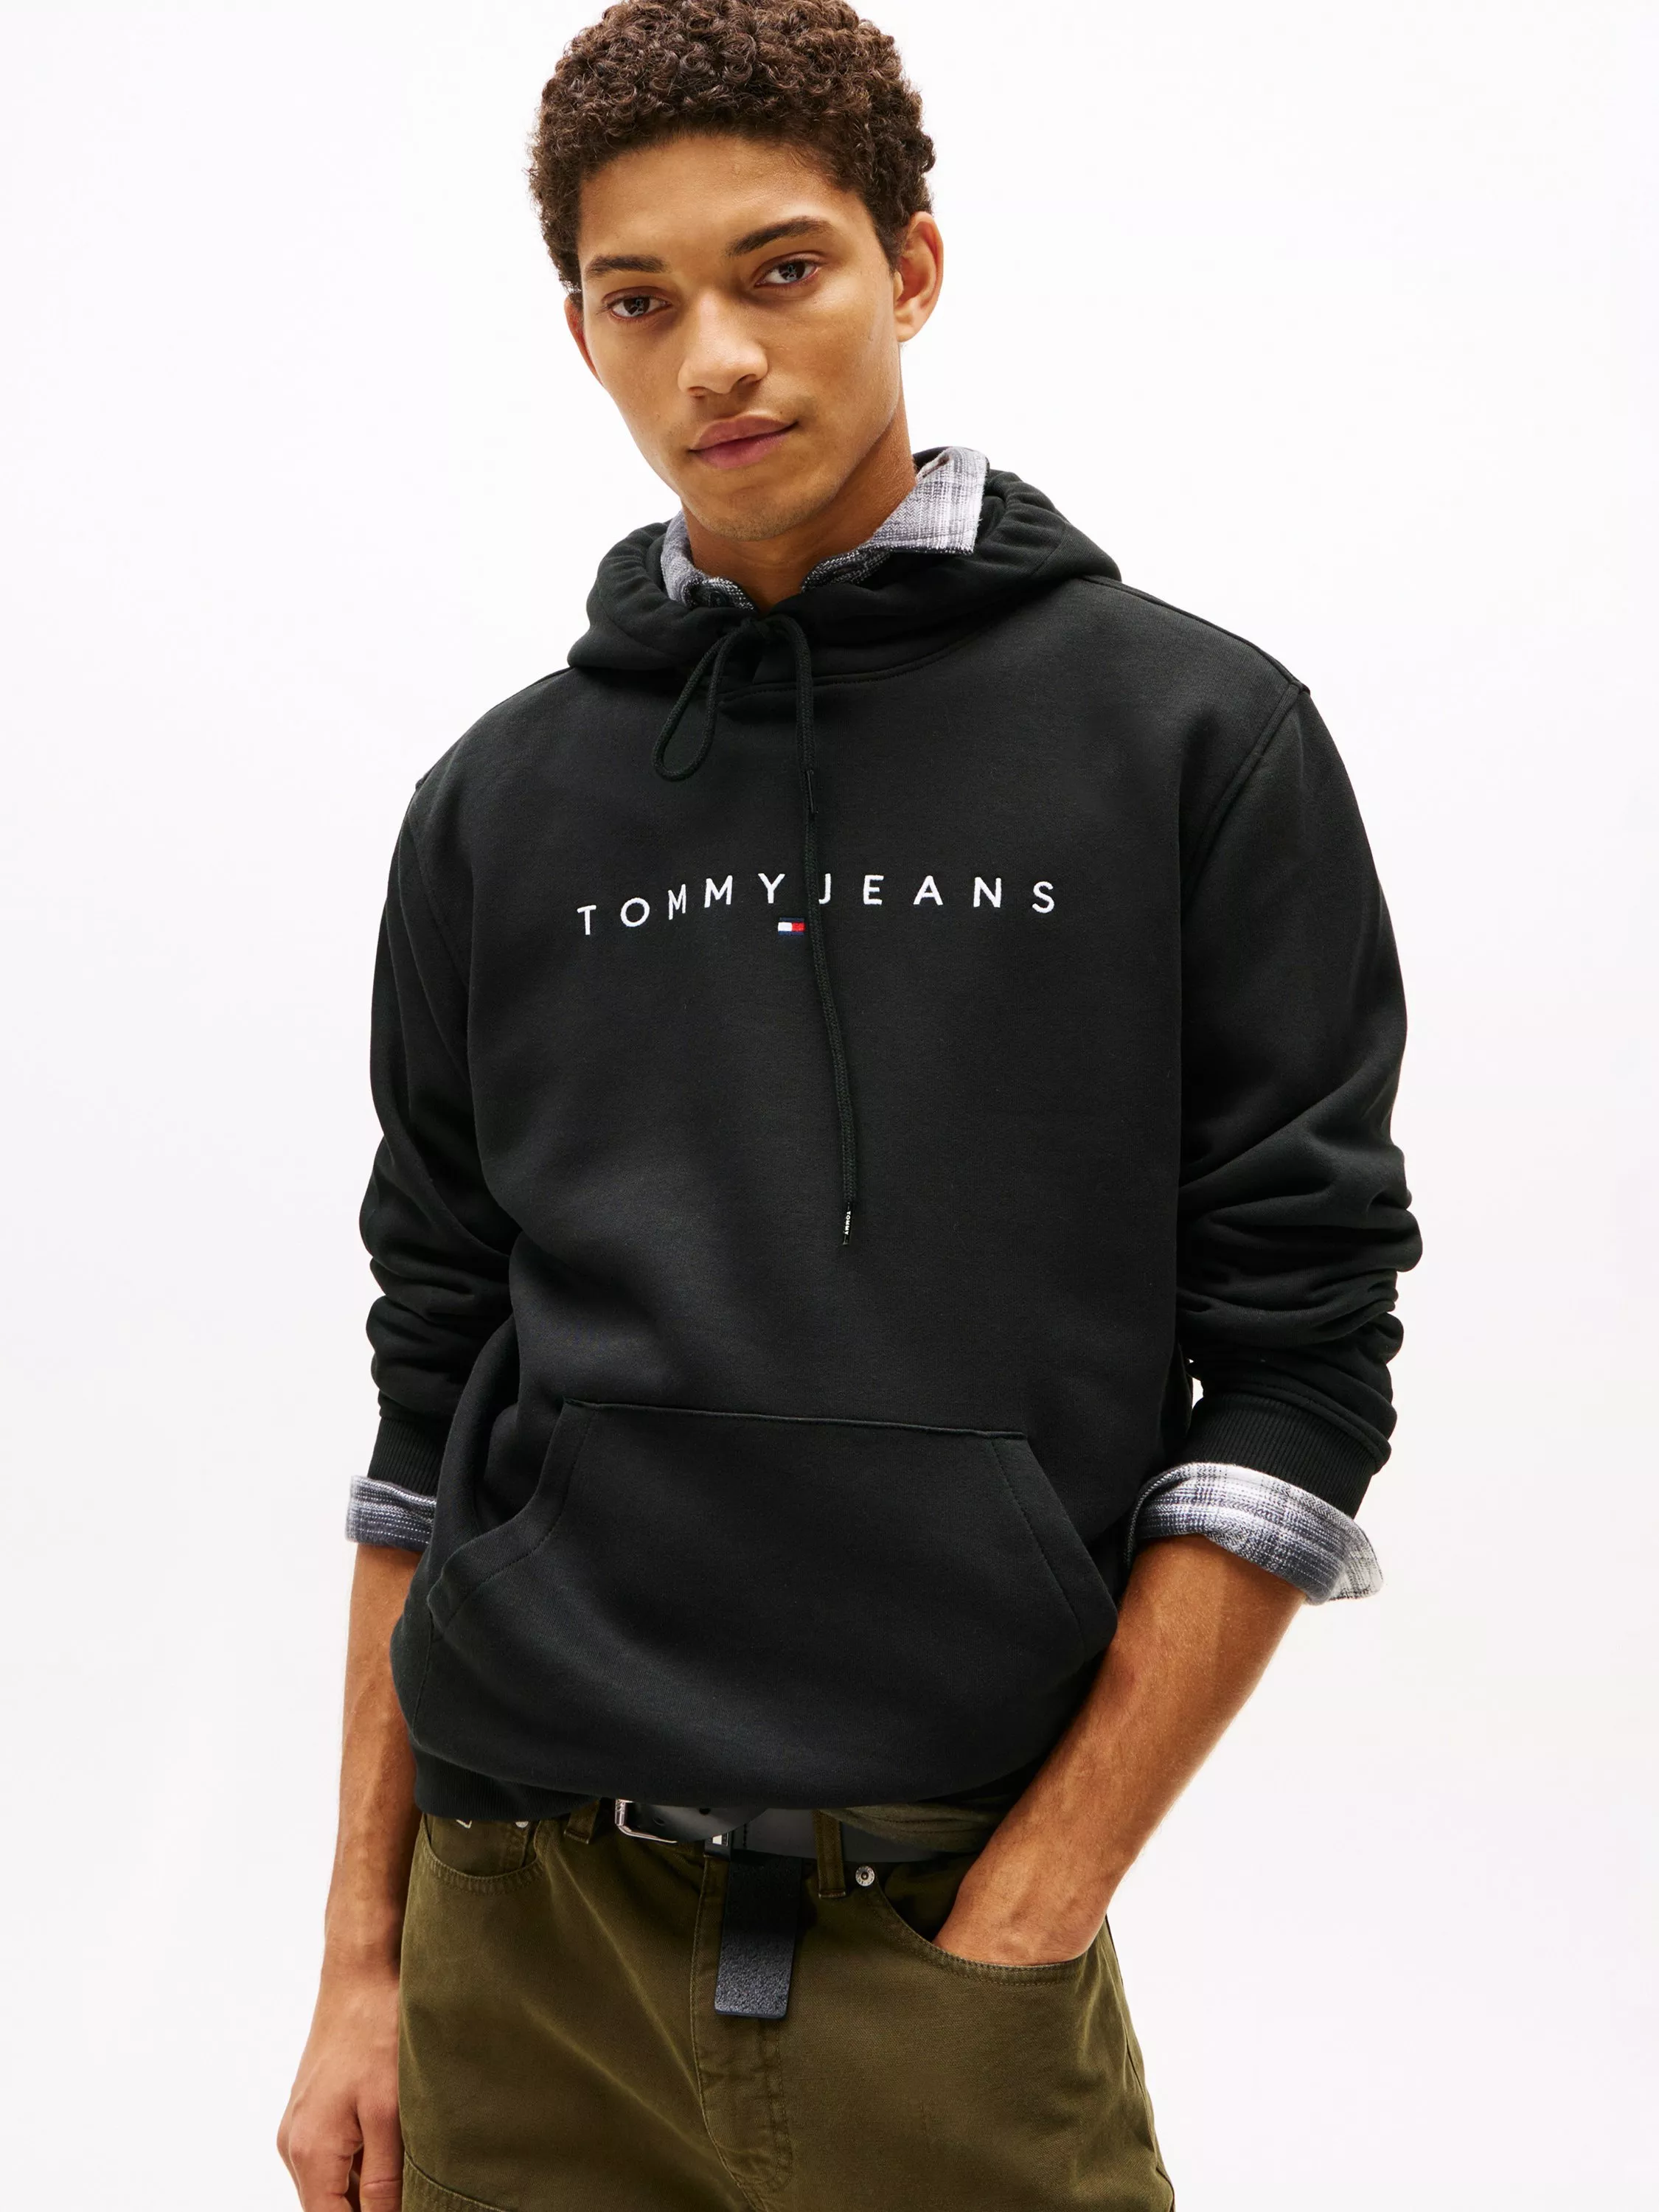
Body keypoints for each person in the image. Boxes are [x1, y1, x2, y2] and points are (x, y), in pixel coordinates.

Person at [278, 4, 1421, 2206]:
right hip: (521, 1948)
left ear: (912, 267)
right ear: (582, 333)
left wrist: (1042, 1902)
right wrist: (364, 1956)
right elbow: (432, 1385)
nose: (714, 356)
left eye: (781, 270)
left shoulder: (1193, 739)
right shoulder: (499, 806)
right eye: (639, 299)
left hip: (943, 1938)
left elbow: (1302, 1358)